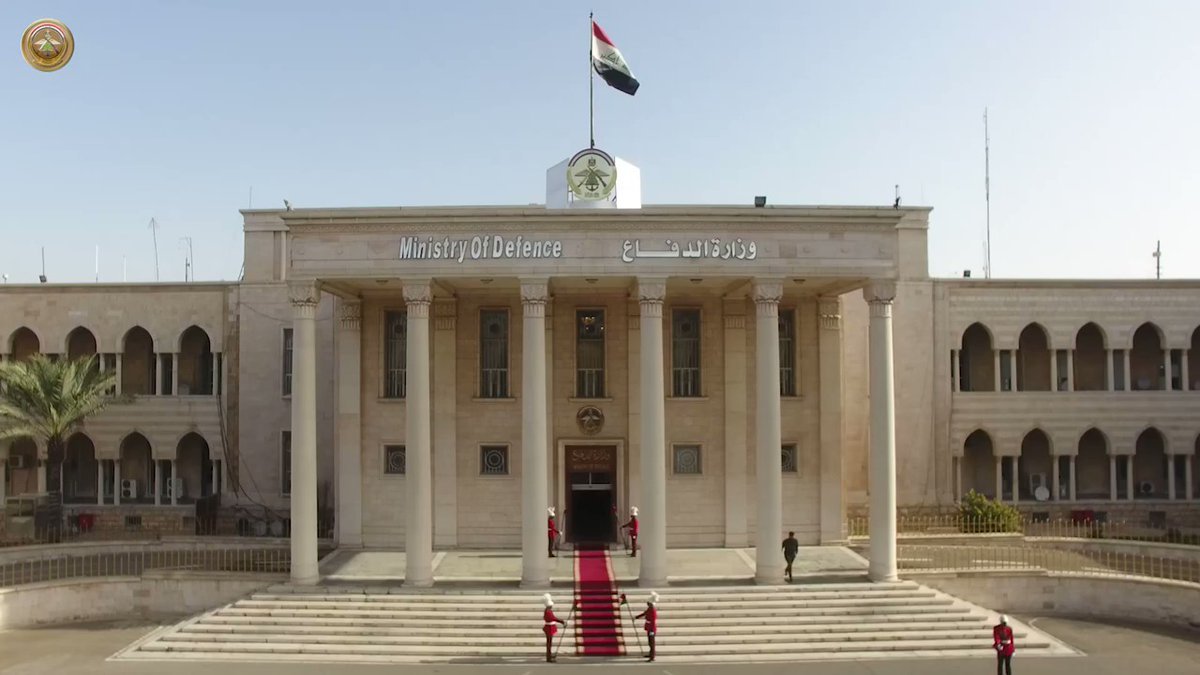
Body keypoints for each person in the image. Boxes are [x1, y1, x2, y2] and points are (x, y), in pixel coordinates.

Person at [542, 593, 567, 663]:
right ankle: (548, 657)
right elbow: (553, 618)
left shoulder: (548, 610)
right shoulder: (548, 611)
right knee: (549, 643)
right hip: (549, 628)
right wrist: (562, 621)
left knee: (549, 643)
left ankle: (549, 655)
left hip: (549, 627)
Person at [634, 591, 659, 661]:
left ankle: (652, 656)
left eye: (648, 603)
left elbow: (652, 620)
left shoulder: (652, 610)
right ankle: (650, 653)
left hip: (651, 629)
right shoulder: (649, 608)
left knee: (652, 642)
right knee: (649, 642)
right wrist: (636, 617)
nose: (647, 603)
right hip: (649, 628)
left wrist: (651, 629)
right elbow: (644, 613)